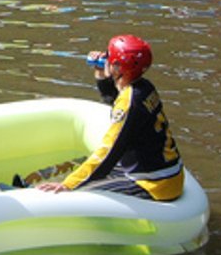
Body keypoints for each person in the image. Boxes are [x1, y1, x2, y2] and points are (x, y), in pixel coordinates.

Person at [40, 36, 184, 200]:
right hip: (160, 171)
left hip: (154, 183)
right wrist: (101, 74)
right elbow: (114, 101)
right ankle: (24, 185)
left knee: (77, 191)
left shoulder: (131, 103)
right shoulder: (143, 87)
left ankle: (35, 195)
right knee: (78, 166)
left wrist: (69, 184)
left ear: (117, 67)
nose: (104, 57)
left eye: (109, 56)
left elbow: (110, 150)